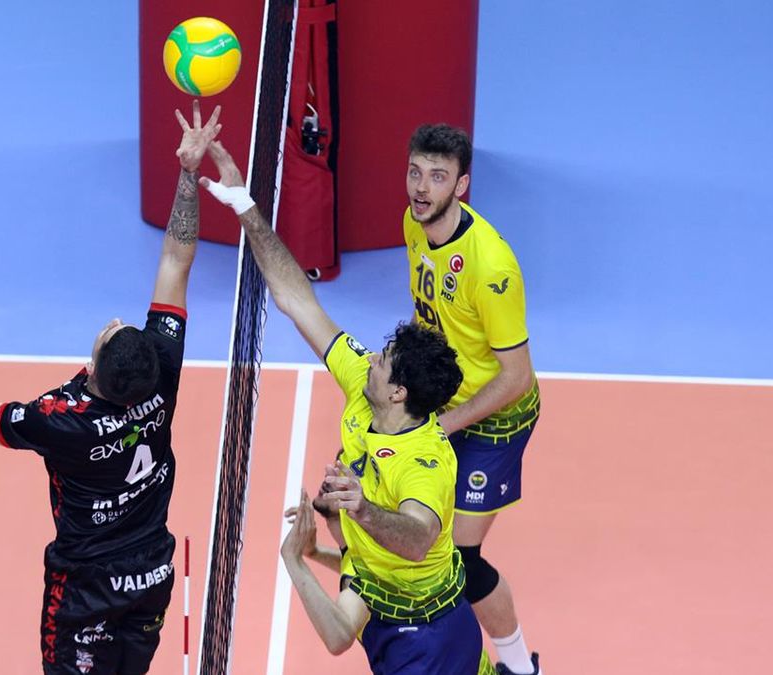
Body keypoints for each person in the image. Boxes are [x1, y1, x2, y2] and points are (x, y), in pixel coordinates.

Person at [0, 100, 220, 675]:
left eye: (109, 333)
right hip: (152, 573)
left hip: (86, 590)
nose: (113, 323)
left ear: (94, 370)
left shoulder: (61, 422)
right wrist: (188, 171)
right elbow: (177, 259)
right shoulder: (162, 369)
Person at [200, 141, 494, 674]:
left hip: (430, 642)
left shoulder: (425, 462)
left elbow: (418, 537)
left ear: (399, 392)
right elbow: (298, 300)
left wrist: (356, 512)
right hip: (390, 619)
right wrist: (245, 205)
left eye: (383, 360)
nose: (371, 359)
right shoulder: (366, 383)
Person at [402, 124, 541, 675]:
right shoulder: (414, 225)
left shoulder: (491, 267)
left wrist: (444, 424)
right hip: (447, 405)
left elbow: (517, 377)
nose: (422, 187)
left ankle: (519, 668)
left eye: (438, 177)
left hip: (497, 420)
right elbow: (430, 315)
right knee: (421, 537)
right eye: (415, 172)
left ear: (462, 185)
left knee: (460, 557)